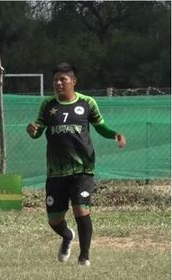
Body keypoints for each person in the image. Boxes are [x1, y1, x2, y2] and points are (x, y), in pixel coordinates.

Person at [26, 62, 126, 266]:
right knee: (54, 220)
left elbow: (101, 127)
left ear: (74, 81)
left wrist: (114, 134)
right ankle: (67, 236)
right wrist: (32, 130)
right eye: (55, 80)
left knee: (81, 209)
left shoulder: (87, 103)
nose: (58, 83)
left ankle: (84, 257)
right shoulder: (47, 105)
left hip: (83, 169)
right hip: (56, 171)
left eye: (63, 79)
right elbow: (37, 133)